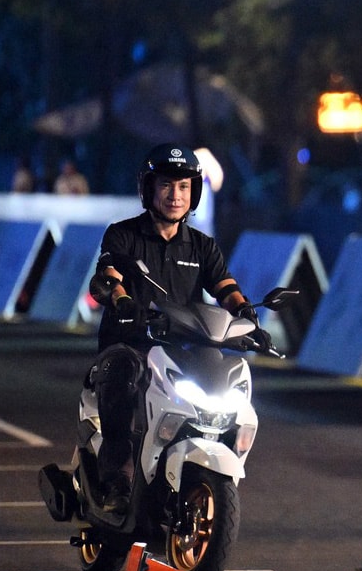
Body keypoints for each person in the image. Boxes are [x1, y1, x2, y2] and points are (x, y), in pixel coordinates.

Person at [86, 144, 265, 516]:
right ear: (149, 188)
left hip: (184, 345)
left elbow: (225, 287)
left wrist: (246, 313)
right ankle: (117, 478)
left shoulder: (202, 246)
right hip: (131, 342)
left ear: (194, 192)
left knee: (221, 380)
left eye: (184, 186)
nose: (175, 195)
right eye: (166, 185)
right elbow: (110, 274)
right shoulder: (123, 235)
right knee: (121, 381)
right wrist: (121, 300)